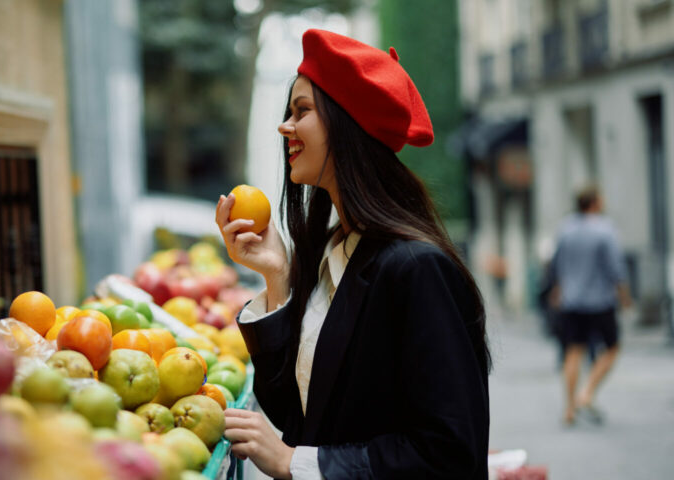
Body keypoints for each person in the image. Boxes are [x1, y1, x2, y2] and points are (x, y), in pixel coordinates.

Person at [214, 29, 491, 479]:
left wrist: (294, 463)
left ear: (348, 125)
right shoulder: (333, 254)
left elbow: (450, 453)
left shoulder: (416, 268)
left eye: (301, 111)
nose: (285, 126)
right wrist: (277, 275)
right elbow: (301, 416)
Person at [549, 186, 631, 425]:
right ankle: (587, 393)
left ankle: (569, 409)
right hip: (600, 301)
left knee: (573, 352)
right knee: (612, 348)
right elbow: (616, 268)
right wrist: (624, 296)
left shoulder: (565, 228)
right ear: (595, 203)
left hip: (571, 301)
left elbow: (556, 264)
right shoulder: (605, 229)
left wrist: (558, 288)